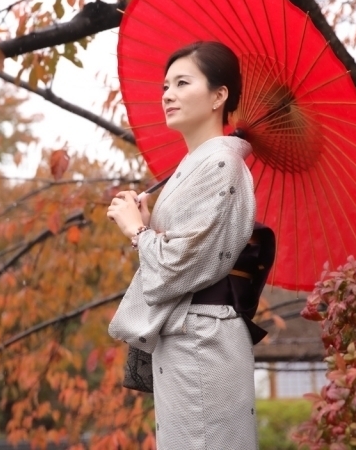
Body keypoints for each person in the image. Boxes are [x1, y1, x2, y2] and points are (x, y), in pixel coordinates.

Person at [107, 41, 259, 449]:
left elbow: (176, 268)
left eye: (182, 83)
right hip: (190, 333)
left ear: (219, 95)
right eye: (165, 86)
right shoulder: (199, 165)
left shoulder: (221, 164)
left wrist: (137, 231)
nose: (167, 95)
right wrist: (149, 221)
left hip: (202, 338)